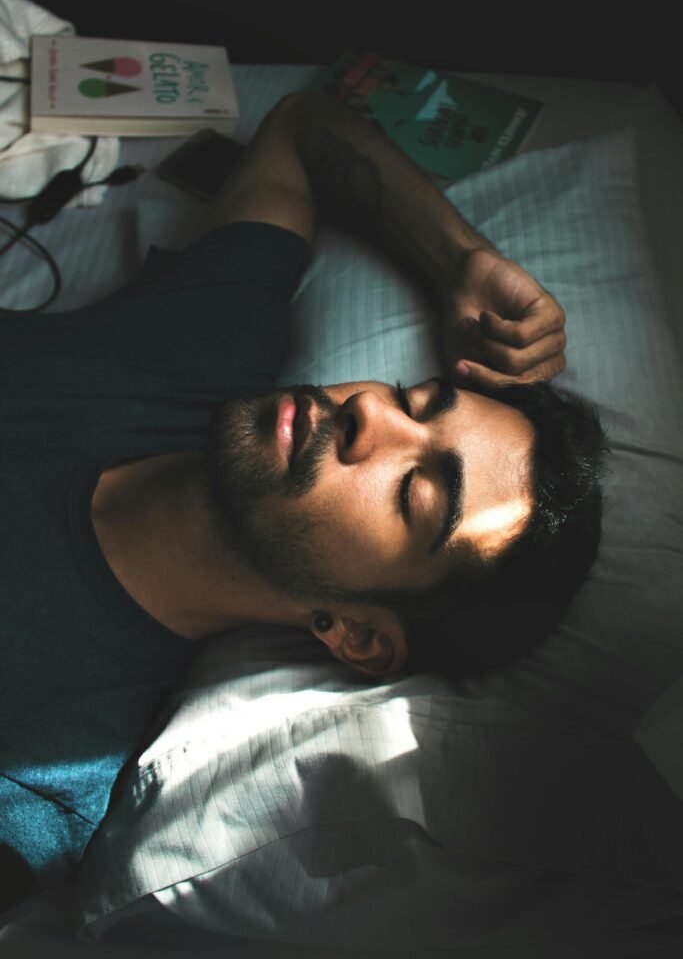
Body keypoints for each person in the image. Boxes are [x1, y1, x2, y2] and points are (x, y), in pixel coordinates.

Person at [0, 91, 606, 908]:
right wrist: (459, 259)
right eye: (414, 400)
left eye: (414, 490)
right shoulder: (202, 350)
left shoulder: (46, 765)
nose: (370, 414)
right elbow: (303, 127)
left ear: (357, 633)